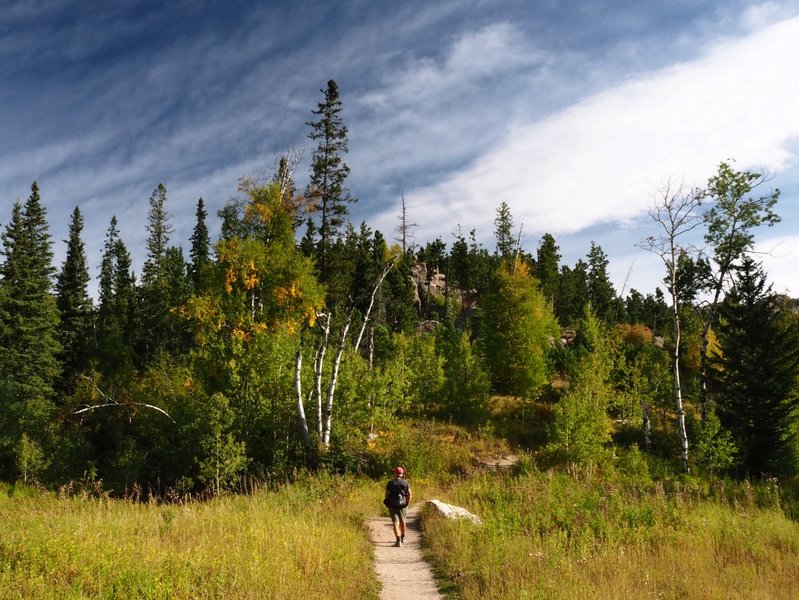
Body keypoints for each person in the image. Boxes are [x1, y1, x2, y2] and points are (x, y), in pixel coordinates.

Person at [384, 466, 412, 547]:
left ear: (395, 473)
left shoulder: (390, 483)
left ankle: (398, 541)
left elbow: (386, 494)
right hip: (403, 505)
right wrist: (407, 503)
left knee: (395, 523)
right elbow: (410, 494)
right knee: (403, 521)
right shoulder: (406, 483)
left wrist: (387, 501)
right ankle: (403, 537)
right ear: (402, 474)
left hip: (393, 505)